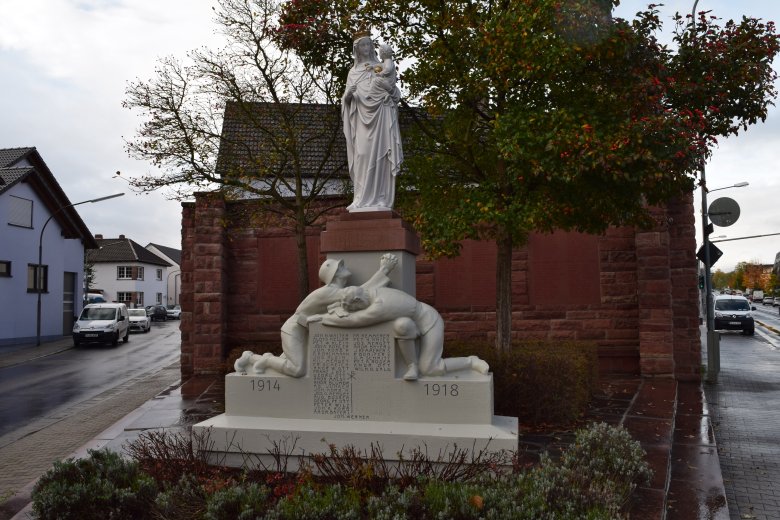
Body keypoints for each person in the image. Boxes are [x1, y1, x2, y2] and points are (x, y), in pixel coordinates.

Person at [234, 254, 398, 376]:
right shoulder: (327, 293)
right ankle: (261, 359)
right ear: (334, 275)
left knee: (287, 364)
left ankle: (252, 359)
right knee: (297, 369)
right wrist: (385, 269)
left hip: (303, 331)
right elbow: (362, 293)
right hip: (294, 330)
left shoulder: (335, 292)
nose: (344, 267)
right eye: (340, 267)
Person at [311, 285, 489, 381]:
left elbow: (356, 320)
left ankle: (470, 361)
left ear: (358, 301)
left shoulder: (382, 304)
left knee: (430, 369)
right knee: (402, 325)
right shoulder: (370, 291)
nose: (350, 310)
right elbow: (356, 311)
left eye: (351, 307)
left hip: (429, 321)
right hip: (411, 323)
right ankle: (412, 365)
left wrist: (322, 319)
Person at [341, 34, 403, 211]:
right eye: (363, 45)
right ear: (357, 50)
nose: (367, 48)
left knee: (381, 155)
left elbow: (395, 94)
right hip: (361, 119)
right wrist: (348, 95)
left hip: (381, 116)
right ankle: (360, 198)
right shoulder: (353, 73)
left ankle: (381, 199)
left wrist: (386, 92)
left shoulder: (381, 67)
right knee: (362, 155)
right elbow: (346, 102)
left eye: (369, 44)